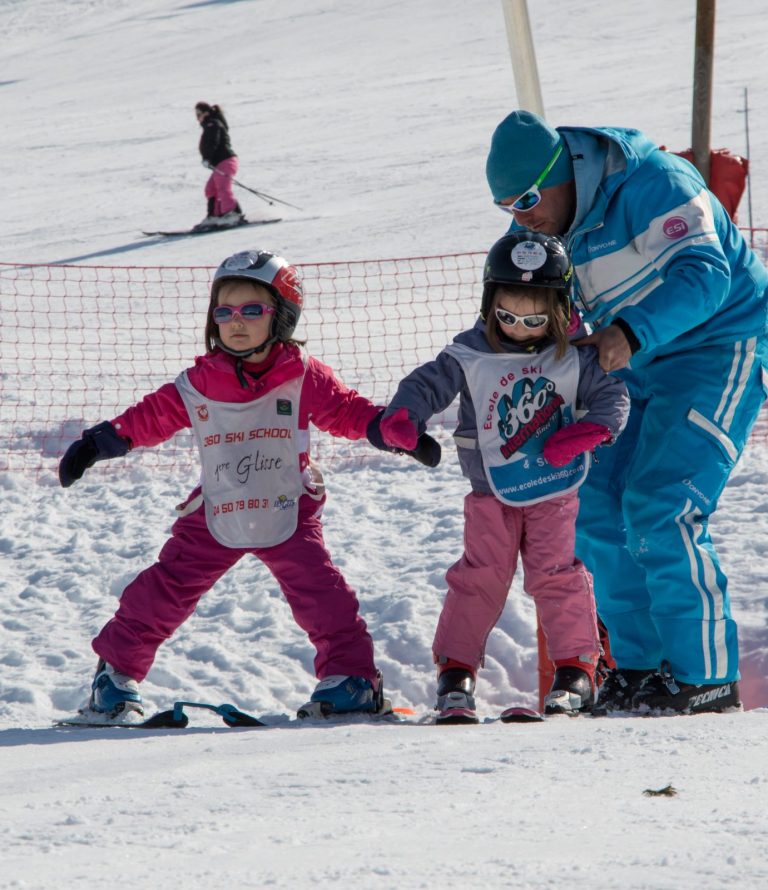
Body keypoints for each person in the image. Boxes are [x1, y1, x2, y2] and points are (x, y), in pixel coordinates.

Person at [58, 249, 440, 722]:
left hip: (288, 508)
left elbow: (347, 411)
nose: (235, 323)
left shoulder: (302, 374)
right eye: (224, 312)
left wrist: (391, 432)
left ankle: (351, 679)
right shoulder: (198, 382)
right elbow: (151, 417)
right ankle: (114, 678)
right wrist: (101, 443)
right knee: (162, 590)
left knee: (324, 595)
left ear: (281, 315)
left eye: (251, 310)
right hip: (217, 509)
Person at [485, 109, 768, 715]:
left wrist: (630, 332)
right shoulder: (555, 230)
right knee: (597, 502)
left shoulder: (654, 182)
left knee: (663, 499)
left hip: (721, 346)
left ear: (564, 173)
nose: (522, 215)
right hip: (634, 359)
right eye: (507, 205)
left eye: (529, 197)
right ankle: (641, 669)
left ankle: (703, 677)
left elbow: (706, 275)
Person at [373, 231, 629, 722]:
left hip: (553, 490)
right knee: (479, 578)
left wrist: (589, 432)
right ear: (491, 304)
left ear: (558, 309)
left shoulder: (574, 354)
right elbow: (428, 383)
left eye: (534, 319)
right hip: (492, 492)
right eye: (507, 316)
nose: (518, 328)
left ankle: (577, 670)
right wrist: (406, 416)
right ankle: (456, 672)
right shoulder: (471, 353)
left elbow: (612, 397)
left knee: (557, 575)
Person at [194, 102, 244, 229]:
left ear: (206, 113)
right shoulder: (210, 125)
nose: (197, 118)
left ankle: (233, 214)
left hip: (226, 160)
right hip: (220, 163)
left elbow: (212, 142)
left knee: (223, 188)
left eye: (199, 114)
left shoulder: (213, 124)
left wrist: (207, 158)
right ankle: (214, 216)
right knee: (210, 189)